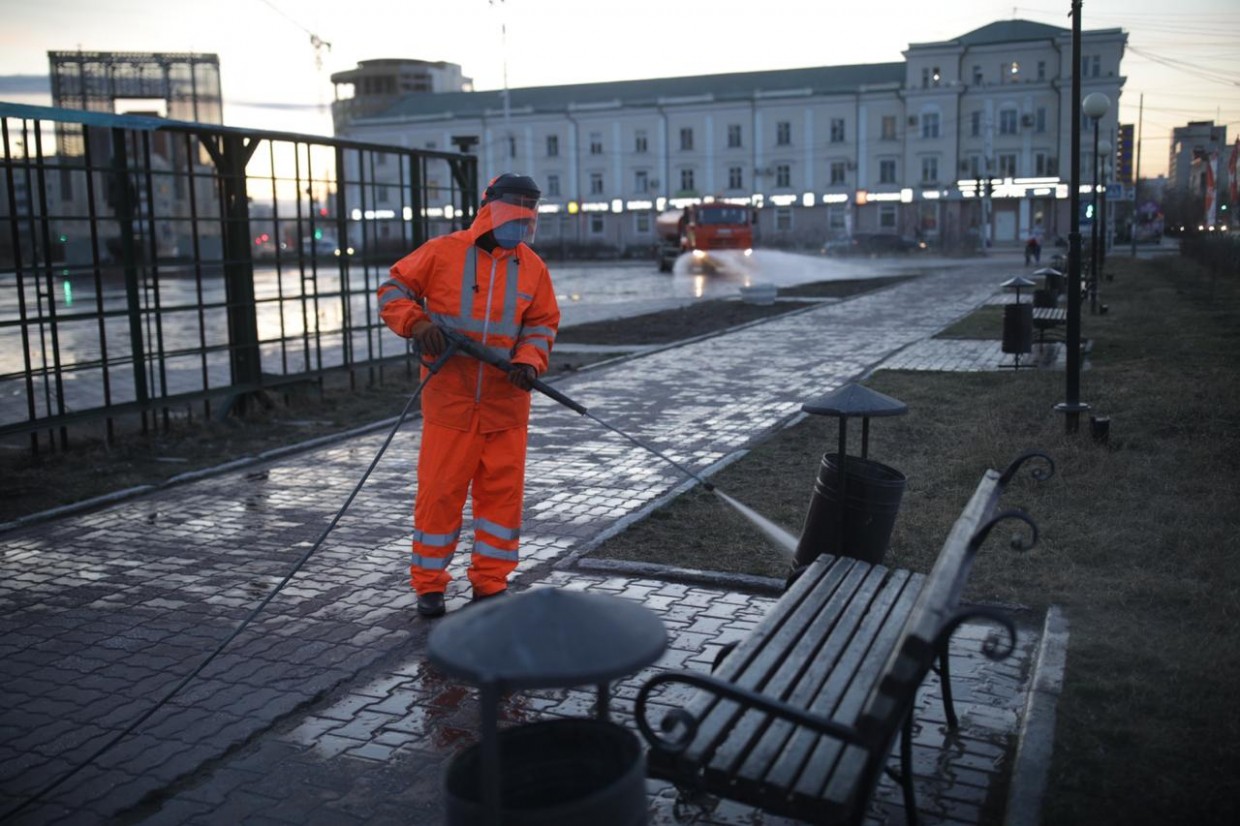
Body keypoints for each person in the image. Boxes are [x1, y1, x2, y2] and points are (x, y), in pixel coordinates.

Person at [377, 173, 560, 618]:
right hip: (450, 406)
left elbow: (541, 324)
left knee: (501, 501)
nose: (523, 222)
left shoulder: (531, 267)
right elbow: (393, 290)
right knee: (440, 495)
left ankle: (490, 583)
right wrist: (418, 325)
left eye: (529, 213)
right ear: (490, 210)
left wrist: (528, 363)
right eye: (516, 211)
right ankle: (429, 586)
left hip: (506, 408)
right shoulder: (442, 253)